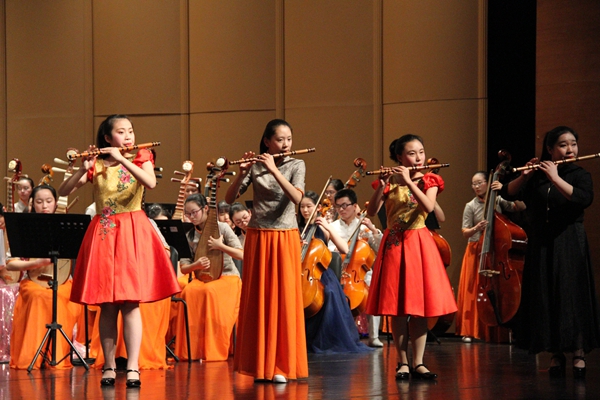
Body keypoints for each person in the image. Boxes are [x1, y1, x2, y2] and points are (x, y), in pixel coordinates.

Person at [58, 114, 180, 387]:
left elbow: (150, 183)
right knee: (107, 305)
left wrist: (124, 158)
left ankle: (133, 366)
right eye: (121, 132)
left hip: (132, 231)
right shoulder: (97, 163)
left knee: (131, 303)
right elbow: (63, 191)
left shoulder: (142, 156)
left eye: (130, 131)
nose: (128, 136)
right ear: (107, 137)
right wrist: (83, 168)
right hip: (104, 232)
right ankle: (109, 366)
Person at [503, 126, 600, 378]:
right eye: (563, 145)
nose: (570, 150)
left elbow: (581, 199)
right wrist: (526, 175)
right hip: (542, 242)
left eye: (573, 144)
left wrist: (556, 177)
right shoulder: (538, 175)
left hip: (569, 241)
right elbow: (509, 192)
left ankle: (578, 352)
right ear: (550, 149)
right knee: (547, 295)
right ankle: (556, 353)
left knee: (571, 295)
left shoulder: (579, 174)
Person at [365, 134, 457, 380]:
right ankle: (402, 362)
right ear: (399, 157)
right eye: (412, 153)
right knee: (397, 309)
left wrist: (409, 180)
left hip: (419, 243)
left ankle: (419, 362)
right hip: (394, 244)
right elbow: (372, 211)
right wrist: (383, 184)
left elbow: (428, 207)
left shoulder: (430, 179)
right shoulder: (389, 182)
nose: (418, 158)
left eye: (421, 152)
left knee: (420, 309)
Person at [225, 118, 308, 383]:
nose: (285, 145)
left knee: (283, 299)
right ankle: (258, 363)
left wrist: (274, 170)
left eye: (289, 140)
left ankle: (282, 364)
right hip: (259, 236)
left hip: (285, 236)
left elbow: (297, 199)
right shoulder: (257, 165)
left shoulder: (297, 164)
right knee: (259, 299)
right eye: (280, 140)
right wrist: (242, 172)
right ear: (267, 142)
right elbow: (229, 199)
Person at [7, 185, 82, 369]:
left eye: (49, 201)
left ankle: (57, 355)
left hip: (62, 282)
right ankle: (32, 354)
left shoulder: (65, 227)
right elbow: (11, 263)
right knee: (38, 296)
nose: (44, 206)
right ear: (33, 204)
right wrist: (36, 263)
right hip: (33, 282)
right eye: (39, 202)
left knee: (64, 295)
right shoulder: (24, 227)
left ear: (56, 203)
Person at [298, 191, 372, 354]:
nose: (305, 210)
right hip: (299, 272)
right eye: (302, 207)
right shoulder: (296, 229)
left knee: (330, 292)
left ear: (317, 208)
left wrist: (327, 227)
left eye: (309, 206)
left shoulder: (324, 227)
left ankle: (327, 339)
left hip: (321, 273)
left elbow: (344, 248)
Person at [456, 171, 525, 343]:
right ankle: (470, 330)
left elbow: (521, 206)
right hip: (475, 249)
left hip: (494, 251)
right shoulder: (470, 206)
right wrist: (477, 228)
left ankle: (496, 328)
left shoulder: (498, 200)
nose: (476, 186)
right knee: (474, 290)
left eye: (479, 182)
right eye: (473, 183)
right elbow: (465, 231)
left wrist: (508, 190)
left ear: (488, 183)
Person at [172, 194, 243, 361]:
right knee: (188, 292)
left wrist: (221, 246)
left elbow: (242, 254)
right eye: (187, 214)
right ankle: (192, 350)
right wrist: (196, 265)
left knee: (209, 292)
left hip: (227, 277)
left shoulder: (222, 228)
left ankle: (213, 351)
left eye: (194, 212)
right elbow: (184, 267)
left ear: (205, 209)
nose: (191, 217)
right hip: (202, 277)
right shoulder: (189, 235)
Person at [325, 188, 383, 347]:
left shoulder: (363, 226)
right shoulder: (333, 226)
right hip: (339, 272)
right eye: (338, 206)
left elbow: (379, 248)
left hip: (361, 274)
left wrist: (373, 230)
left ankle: (374, 336)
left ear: (354, 206)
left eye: (345, 205)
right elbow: (329, 250)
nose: (341, 210)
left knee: (372, 290)